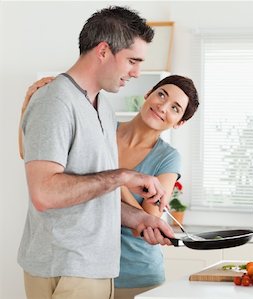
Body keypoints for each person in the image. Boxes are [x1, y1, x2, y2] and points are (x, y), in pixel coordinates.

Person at [18, 6, 175, 299]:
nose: (137, 72)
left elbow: (91, 194)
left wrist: (139, 219)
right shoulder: (55, 101)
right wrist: (124, 176)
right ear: (103, 51)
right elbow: (45, 193)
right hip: (65, 268)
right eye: (132, 60)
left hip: (95, 269)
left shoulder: (103, 106)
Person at [22, 75, 200, 299]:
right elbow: (36, 159)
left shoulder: (168, 158)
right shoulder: (102, 127)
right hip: (82, 266)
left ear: (179, 122)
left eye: (175, 108)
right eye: (161, 94)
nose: (162, 107)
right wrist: (28, 107)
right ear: (148, 94)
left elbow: (145, 223)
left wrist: (115, 176)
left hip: (136, 273)